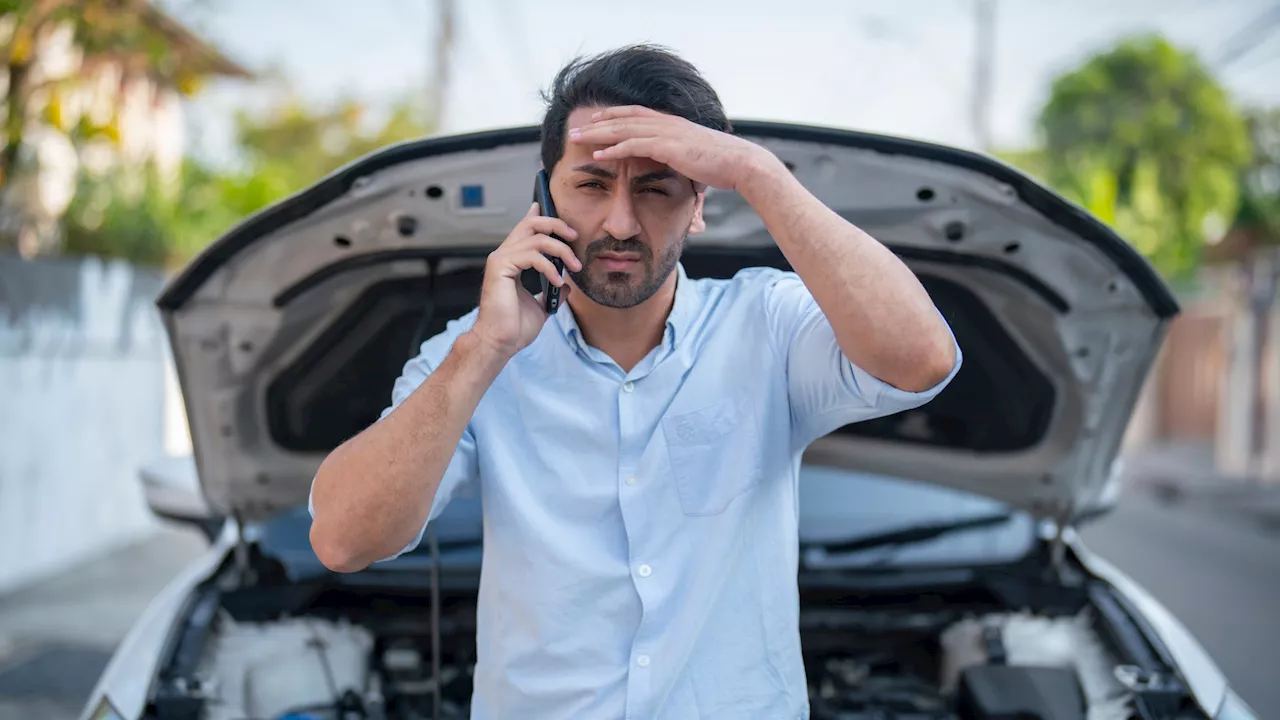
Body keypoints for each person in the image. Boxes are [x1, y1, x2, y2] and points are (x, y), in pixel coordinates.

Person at [308, 44, 961, 719]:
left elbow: (922, 359)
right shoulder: (470, 352)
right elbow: (343, 540)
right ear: (542, 196)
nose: (620, 223)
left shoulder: (766, 323)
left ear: (699, 203)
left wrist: (757, 170)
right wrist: (485, 348)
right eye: (591, 185)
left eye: (655, 187)